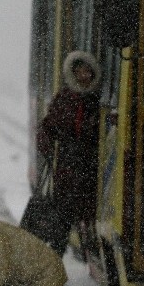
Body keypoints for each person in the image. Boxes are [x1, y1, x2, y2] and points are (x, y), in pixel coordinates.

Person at [36, 50, 101, 256]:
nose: (84, 76)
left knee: (87, 214)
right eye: (80, 72)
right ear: (73, 74)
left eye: (87, 72)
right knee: (63, 219)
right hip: (68, 168)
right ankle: (55, 259)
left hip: (90, 168)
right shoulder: (64, 98)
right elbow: (48, 127)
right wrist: (46, 146)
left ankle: (86, 249)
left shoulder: (95, 100)